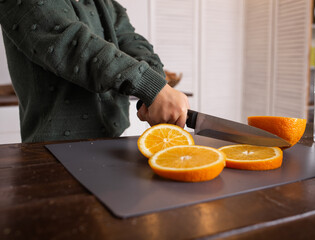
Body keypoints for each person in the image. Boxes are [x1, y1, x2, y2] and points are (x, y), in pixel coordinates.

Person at [0, 0, 189, 143]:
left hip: (113, 141)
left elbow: (131, 41)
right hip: (51, 150)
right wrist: (150, 86)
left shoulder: (103, 2)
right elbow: (72, 45)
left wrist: (158, 91)